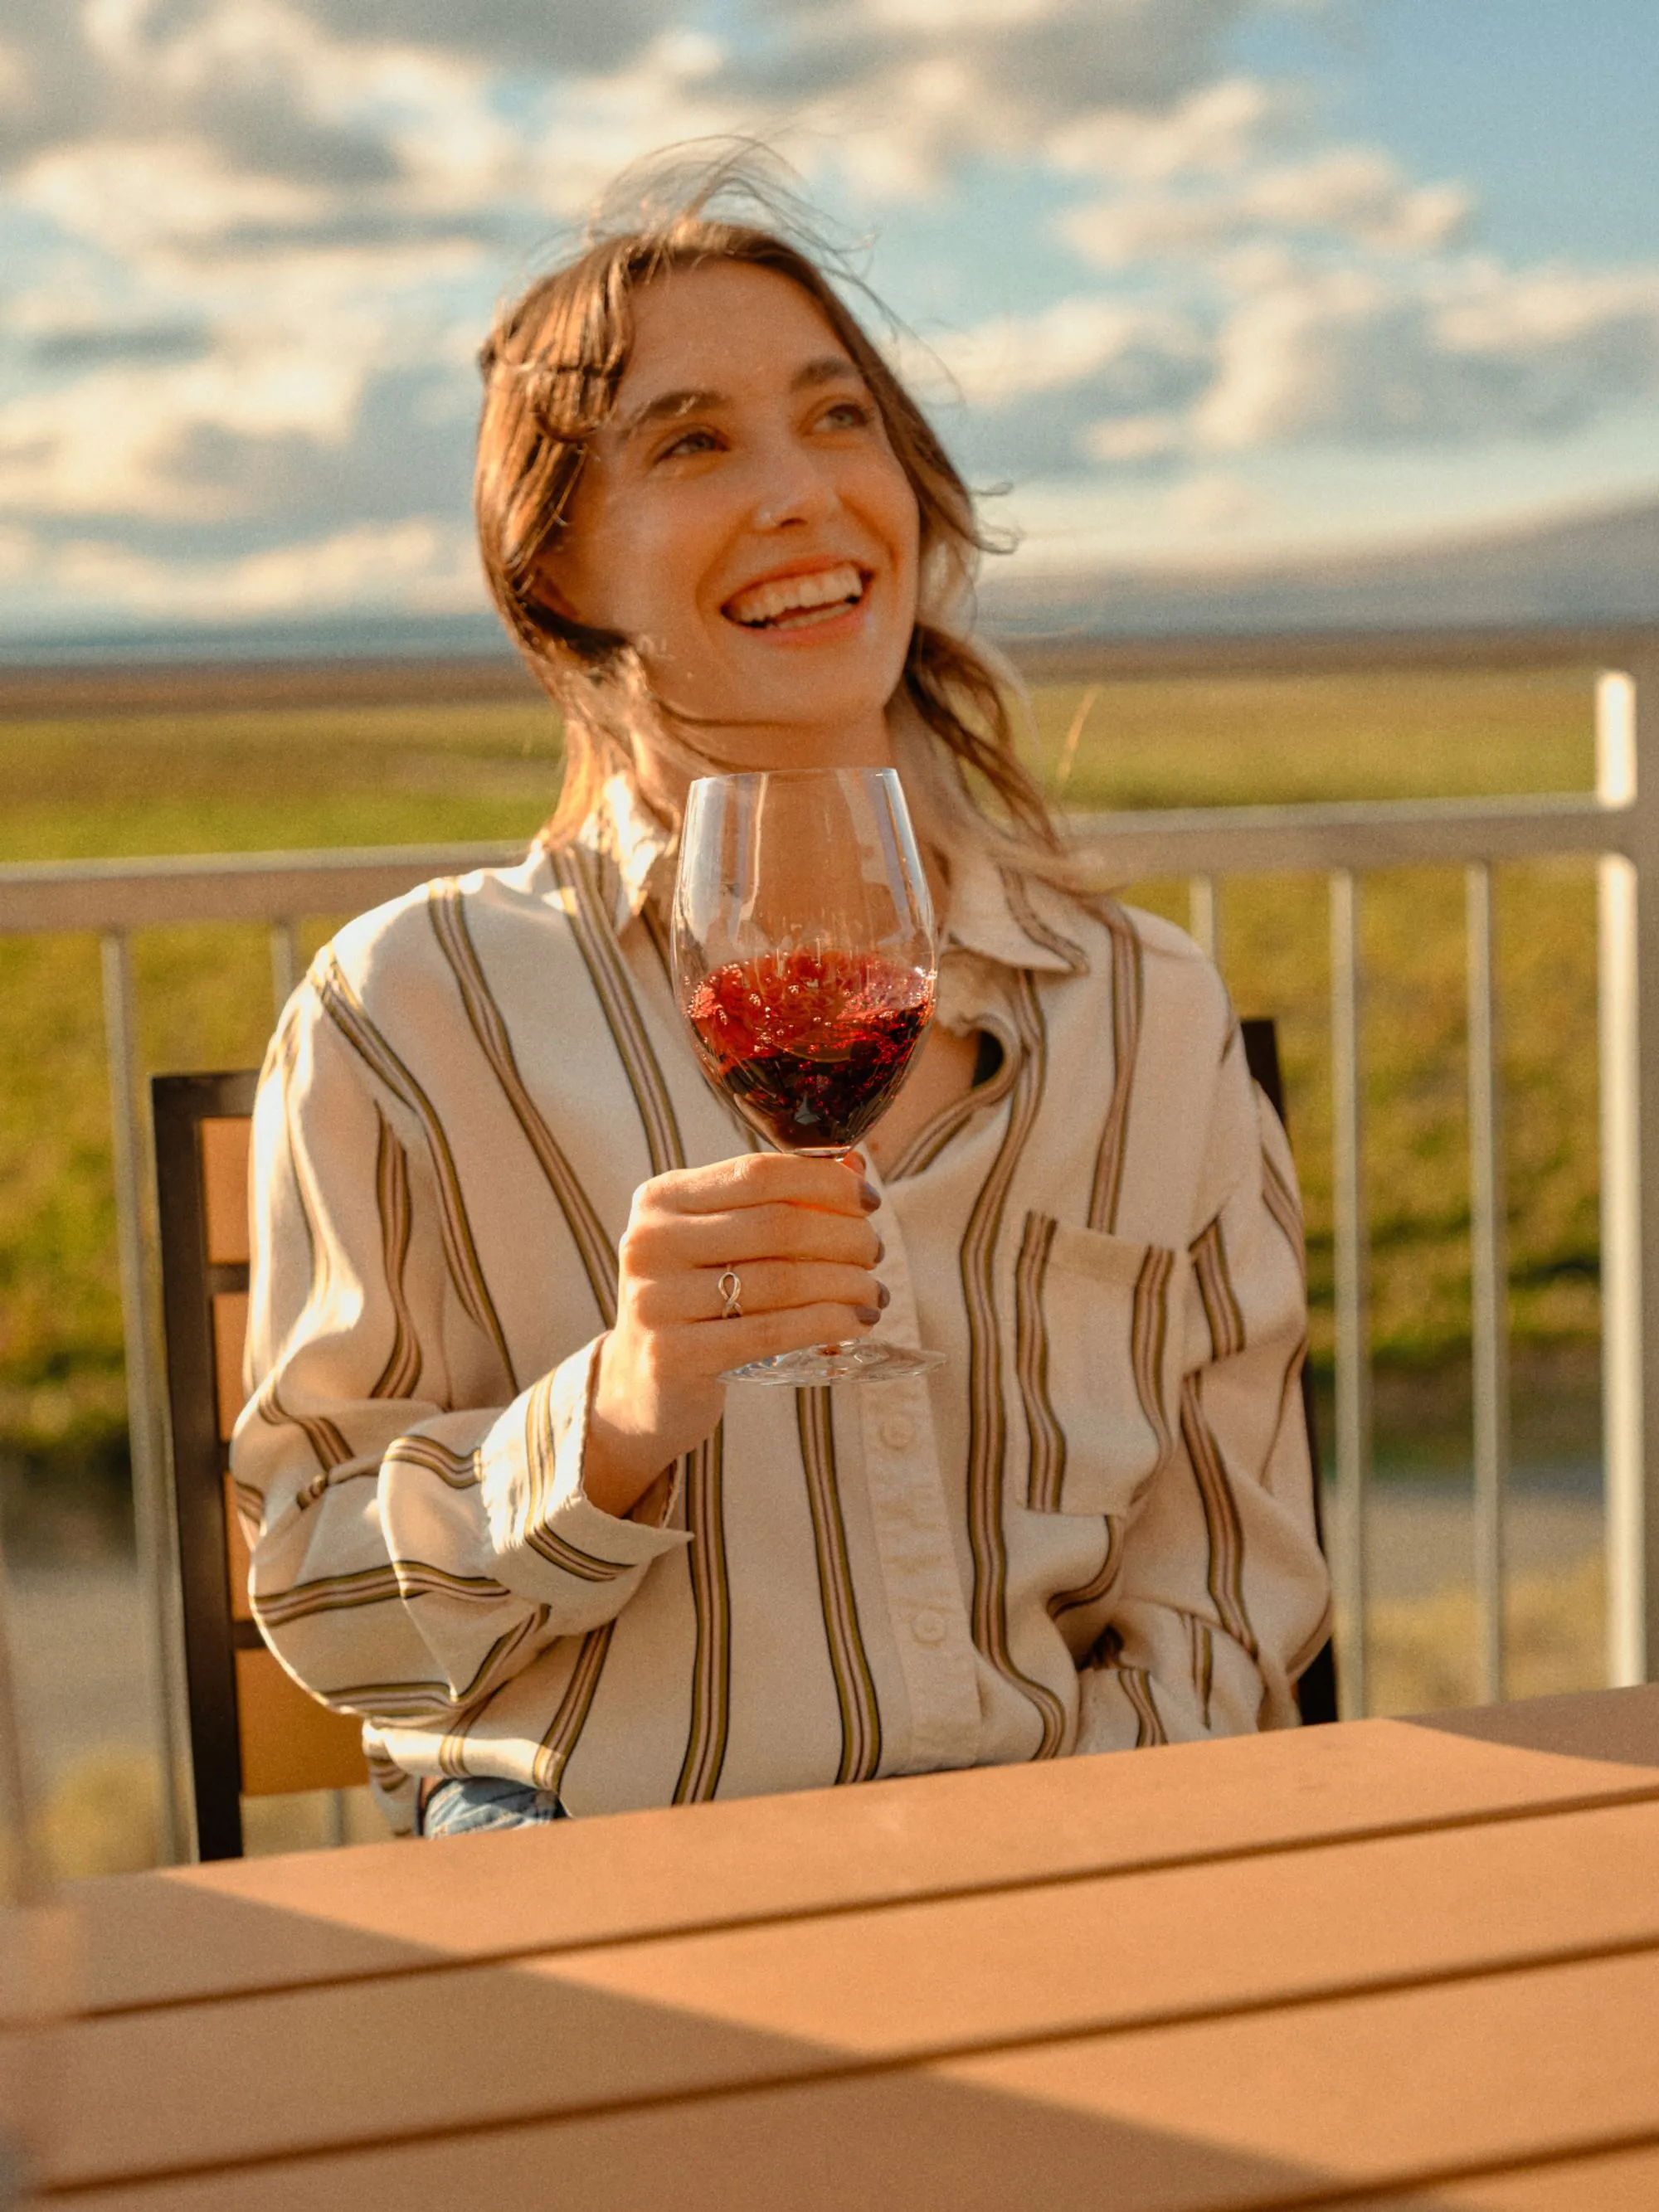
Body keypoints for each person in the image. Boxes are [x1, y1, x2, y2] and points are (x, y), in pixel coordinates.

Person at [233, 153, 1332, 1838]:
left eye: (839, 421)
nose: (805, 495)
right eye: (691, 442)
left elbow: (1231, 1596)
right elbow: (324, 1602)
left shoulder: (1145, 1010)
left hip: (1063, 1844)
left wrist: (1087, 1856)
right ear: (557, 571)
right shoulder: (408, 1011)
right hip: (601, 1866)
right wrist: (606, 1423)